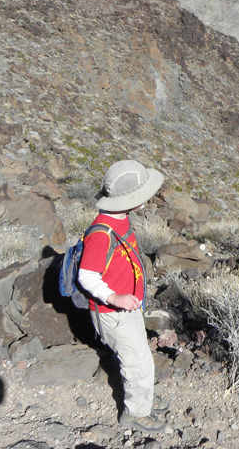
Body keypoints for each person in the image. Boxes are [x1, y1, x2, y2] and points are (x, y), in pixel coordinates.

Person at [77, 159, 169, 433]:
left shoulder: (119, 218)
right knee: (136, 360)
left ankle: (143, 397)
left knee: (138, 355)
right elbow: (86, 275)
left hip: (127, 308)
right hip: (113, 312)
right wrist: (114, 297)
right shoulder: (102, 233)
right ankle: (136, 412)